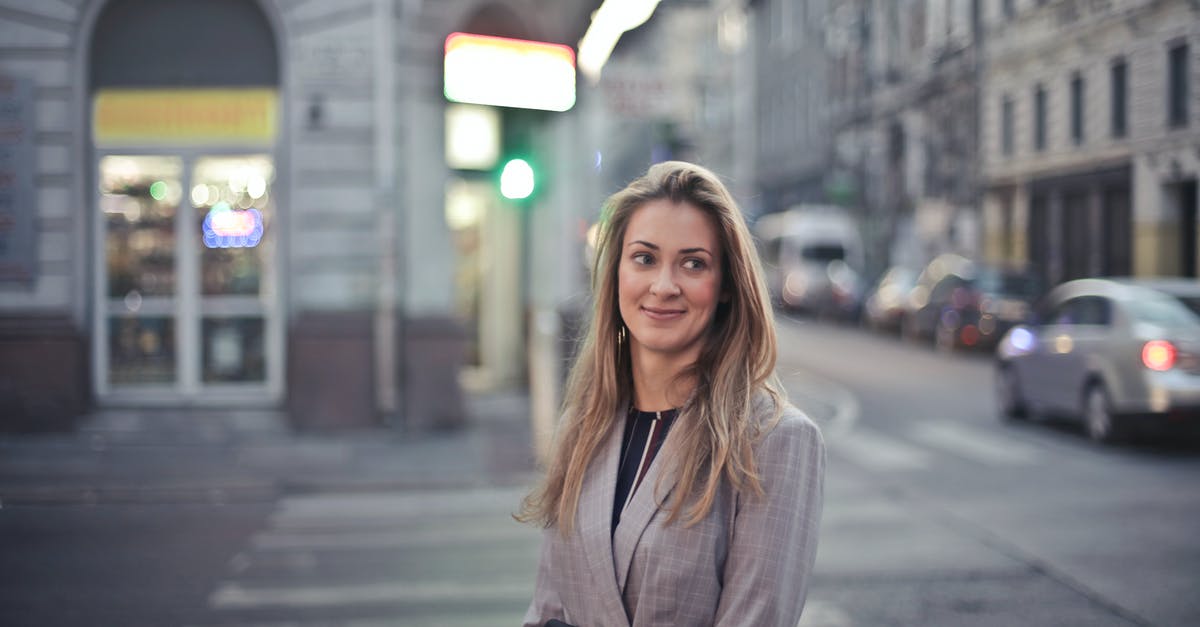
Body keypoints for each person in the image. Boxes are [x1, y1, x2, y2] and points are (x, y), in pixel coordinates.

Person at [519, 161, 826, 627]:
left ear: (724, 286)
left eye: (693, 263)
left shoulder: (776, 441)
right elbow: (546, 612)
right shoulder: (580, 429)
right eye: (644, 258)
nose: (664, 286)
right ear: (616, 274)